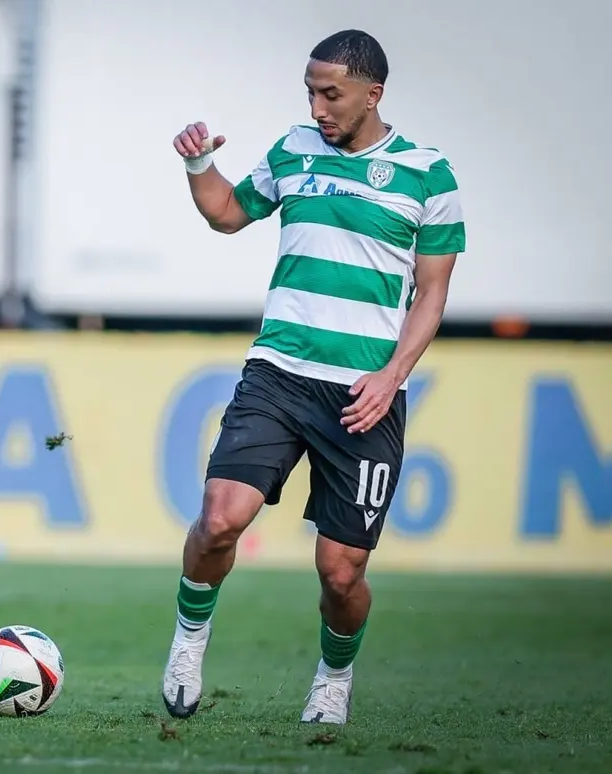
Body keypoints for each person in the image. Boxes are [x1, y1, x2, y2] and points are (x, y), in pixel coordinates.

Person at [162, 29, 465, 724]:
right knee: (218, 520)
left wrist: (391, 376)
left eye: (331, 94)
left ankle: (334, 675)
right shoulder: (293, 150)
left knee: (341, 572)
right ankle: (188, 641)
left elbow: (432, 295)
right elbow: (226, 214)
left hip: (364, 396)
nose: (317, 107)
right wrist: (199, 162)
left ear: (372, 94)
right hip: (278, 373)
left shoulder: (428, 175)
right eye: (310, 92)